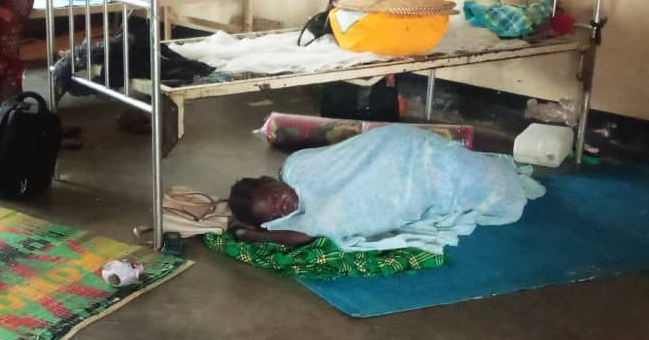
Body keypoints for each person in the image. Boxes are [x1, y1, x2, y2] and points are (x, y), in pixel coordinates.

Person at [227, 125, 545, 253]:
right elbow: (306, 234)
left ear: (270, 179)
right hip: (411, 188)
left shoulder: (299, 165)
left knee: (467, 170)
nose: (284, 205)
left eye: (274, 197)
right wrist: (259, 235)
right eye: (276, 213)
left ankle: (470, 167)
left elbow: (360, 151)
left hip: (408, 149)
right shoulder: (307, 220)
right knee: (491, 190)